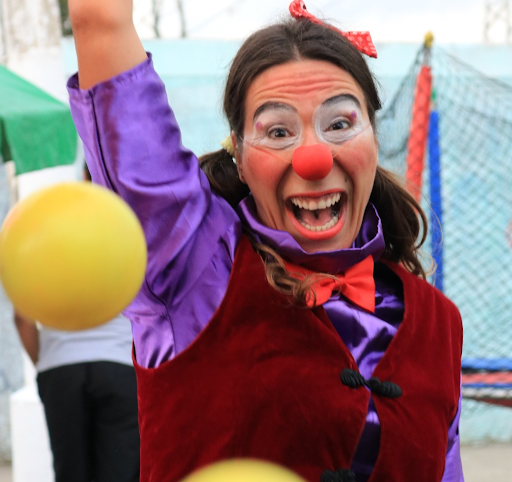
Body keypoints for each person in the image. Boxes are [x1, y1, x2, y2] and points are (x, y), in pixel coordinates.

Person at [66, 1, 463, 481]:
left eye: (339, 124)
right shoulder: (191, 268)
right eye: (277, 131)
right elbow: (100, 22)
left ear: (373, 140)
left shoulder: (439, 322)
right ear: (239, 153)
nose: (313, 158)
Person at [13, 169, 140, 482]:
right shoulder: (132, 227)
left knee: (69, 474)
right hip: (120, 366)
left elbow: (21, 317)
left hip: (61, 370)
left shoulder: (51, 228)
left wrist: (46, 362)